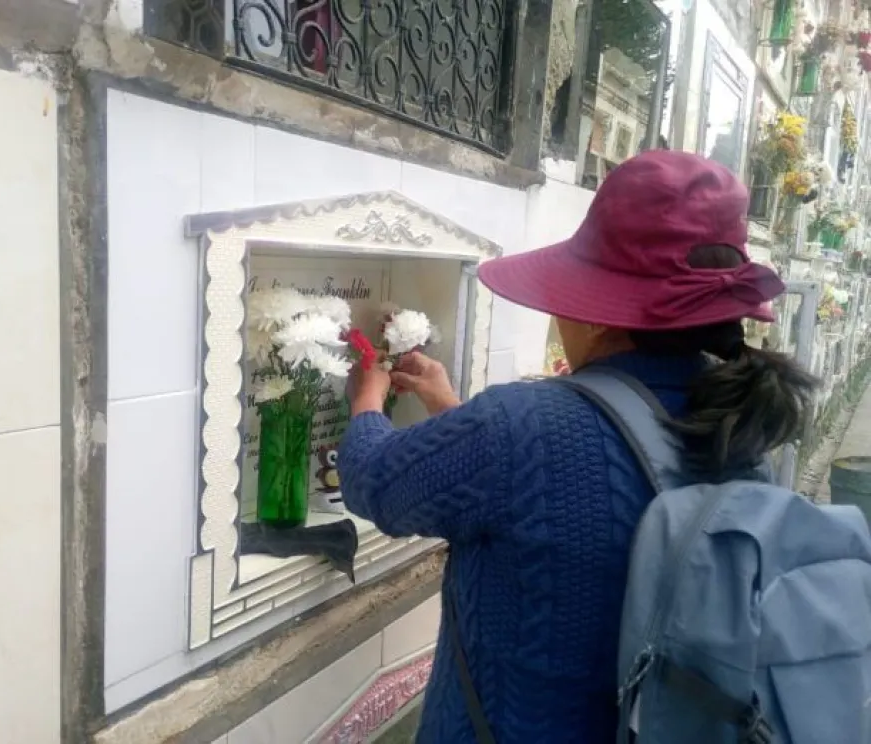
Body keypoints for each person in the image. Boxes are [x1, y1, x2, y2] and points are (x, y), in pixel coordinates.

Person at [337, 151, 817, 743]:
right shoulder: (737, 434)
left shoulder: (520, 427)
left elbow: (375, 481)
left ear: (600, 315)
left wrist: (367, 396)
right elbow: (577, 493)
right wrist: (450, 409)